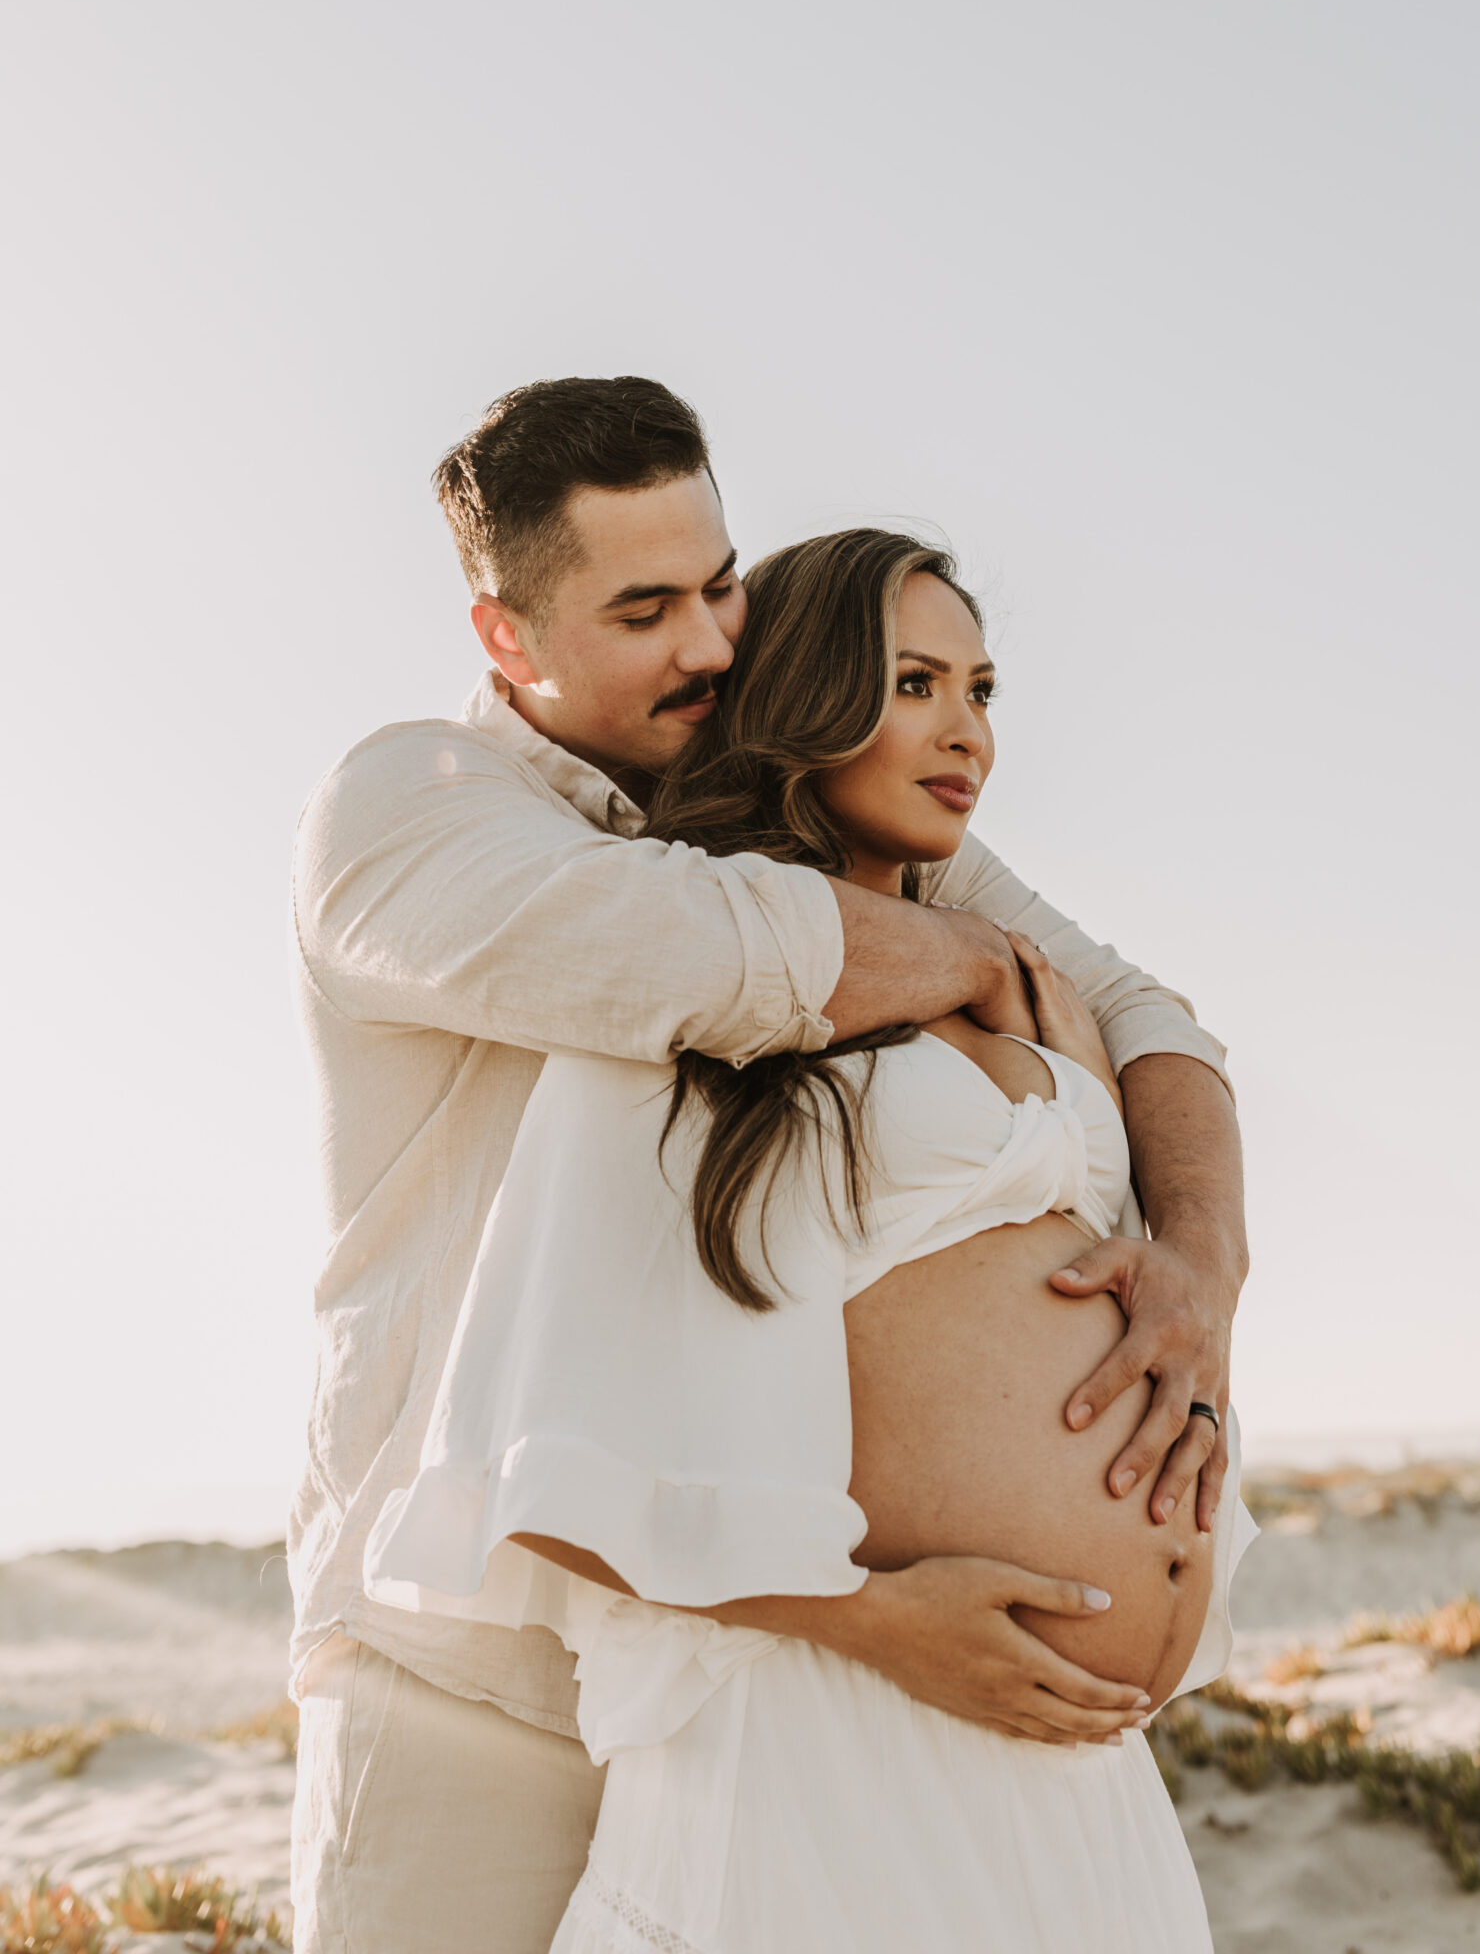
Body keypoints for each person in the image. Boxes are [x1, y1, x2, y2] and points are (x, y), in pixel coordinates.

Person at [289, 376, 1246, 1954]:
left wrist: (1202, 1267)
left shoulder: (824, 819)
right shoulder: (410, 810)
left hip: (785, 1681)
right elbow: (681, 950)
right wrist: (954, 950)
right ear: (506, 637)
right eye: (647, 607)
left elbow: (1146, 1020)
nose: (714, 644)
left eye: (723, 584)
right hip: (469, 1670)